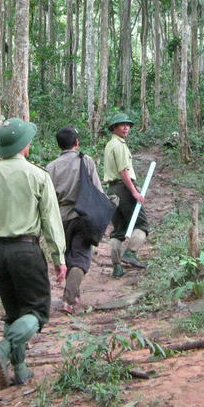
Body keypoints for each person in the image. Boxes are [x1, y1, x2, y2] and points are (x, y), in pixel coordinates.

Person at [0, 118, 67, 387]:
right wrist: (59, 258)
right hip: (26, 250)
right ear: (24, 145)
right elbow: (50, 221)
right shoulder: (37, 176)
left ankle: (21, 370)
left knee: (14, 314)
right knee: (36, 312)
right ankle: (1, 350)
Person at [45, 125, 106, 311]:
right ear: (76, 143)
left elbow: (48, 198)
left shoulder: (51, 167)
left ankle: (74, 294)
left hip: (60, 218)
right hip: (83, 216)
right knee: (80, 258)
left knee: (69, 256)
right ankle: (68, 300)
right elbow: (98, 190)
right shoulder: (86, 161)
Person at [101, 110, 149, 278]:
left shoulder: (109, 145)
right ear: (114, 128)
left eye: (128, 125)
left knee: (119, 230)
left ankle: (117, 267)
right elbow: (123, 171)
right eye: (122, 125)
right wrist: (134, 192)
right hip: (123, 188)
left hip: (111, 191)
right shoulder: (119, 145)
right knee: (141, 225)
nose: (126, 128)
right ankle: (130, 253)